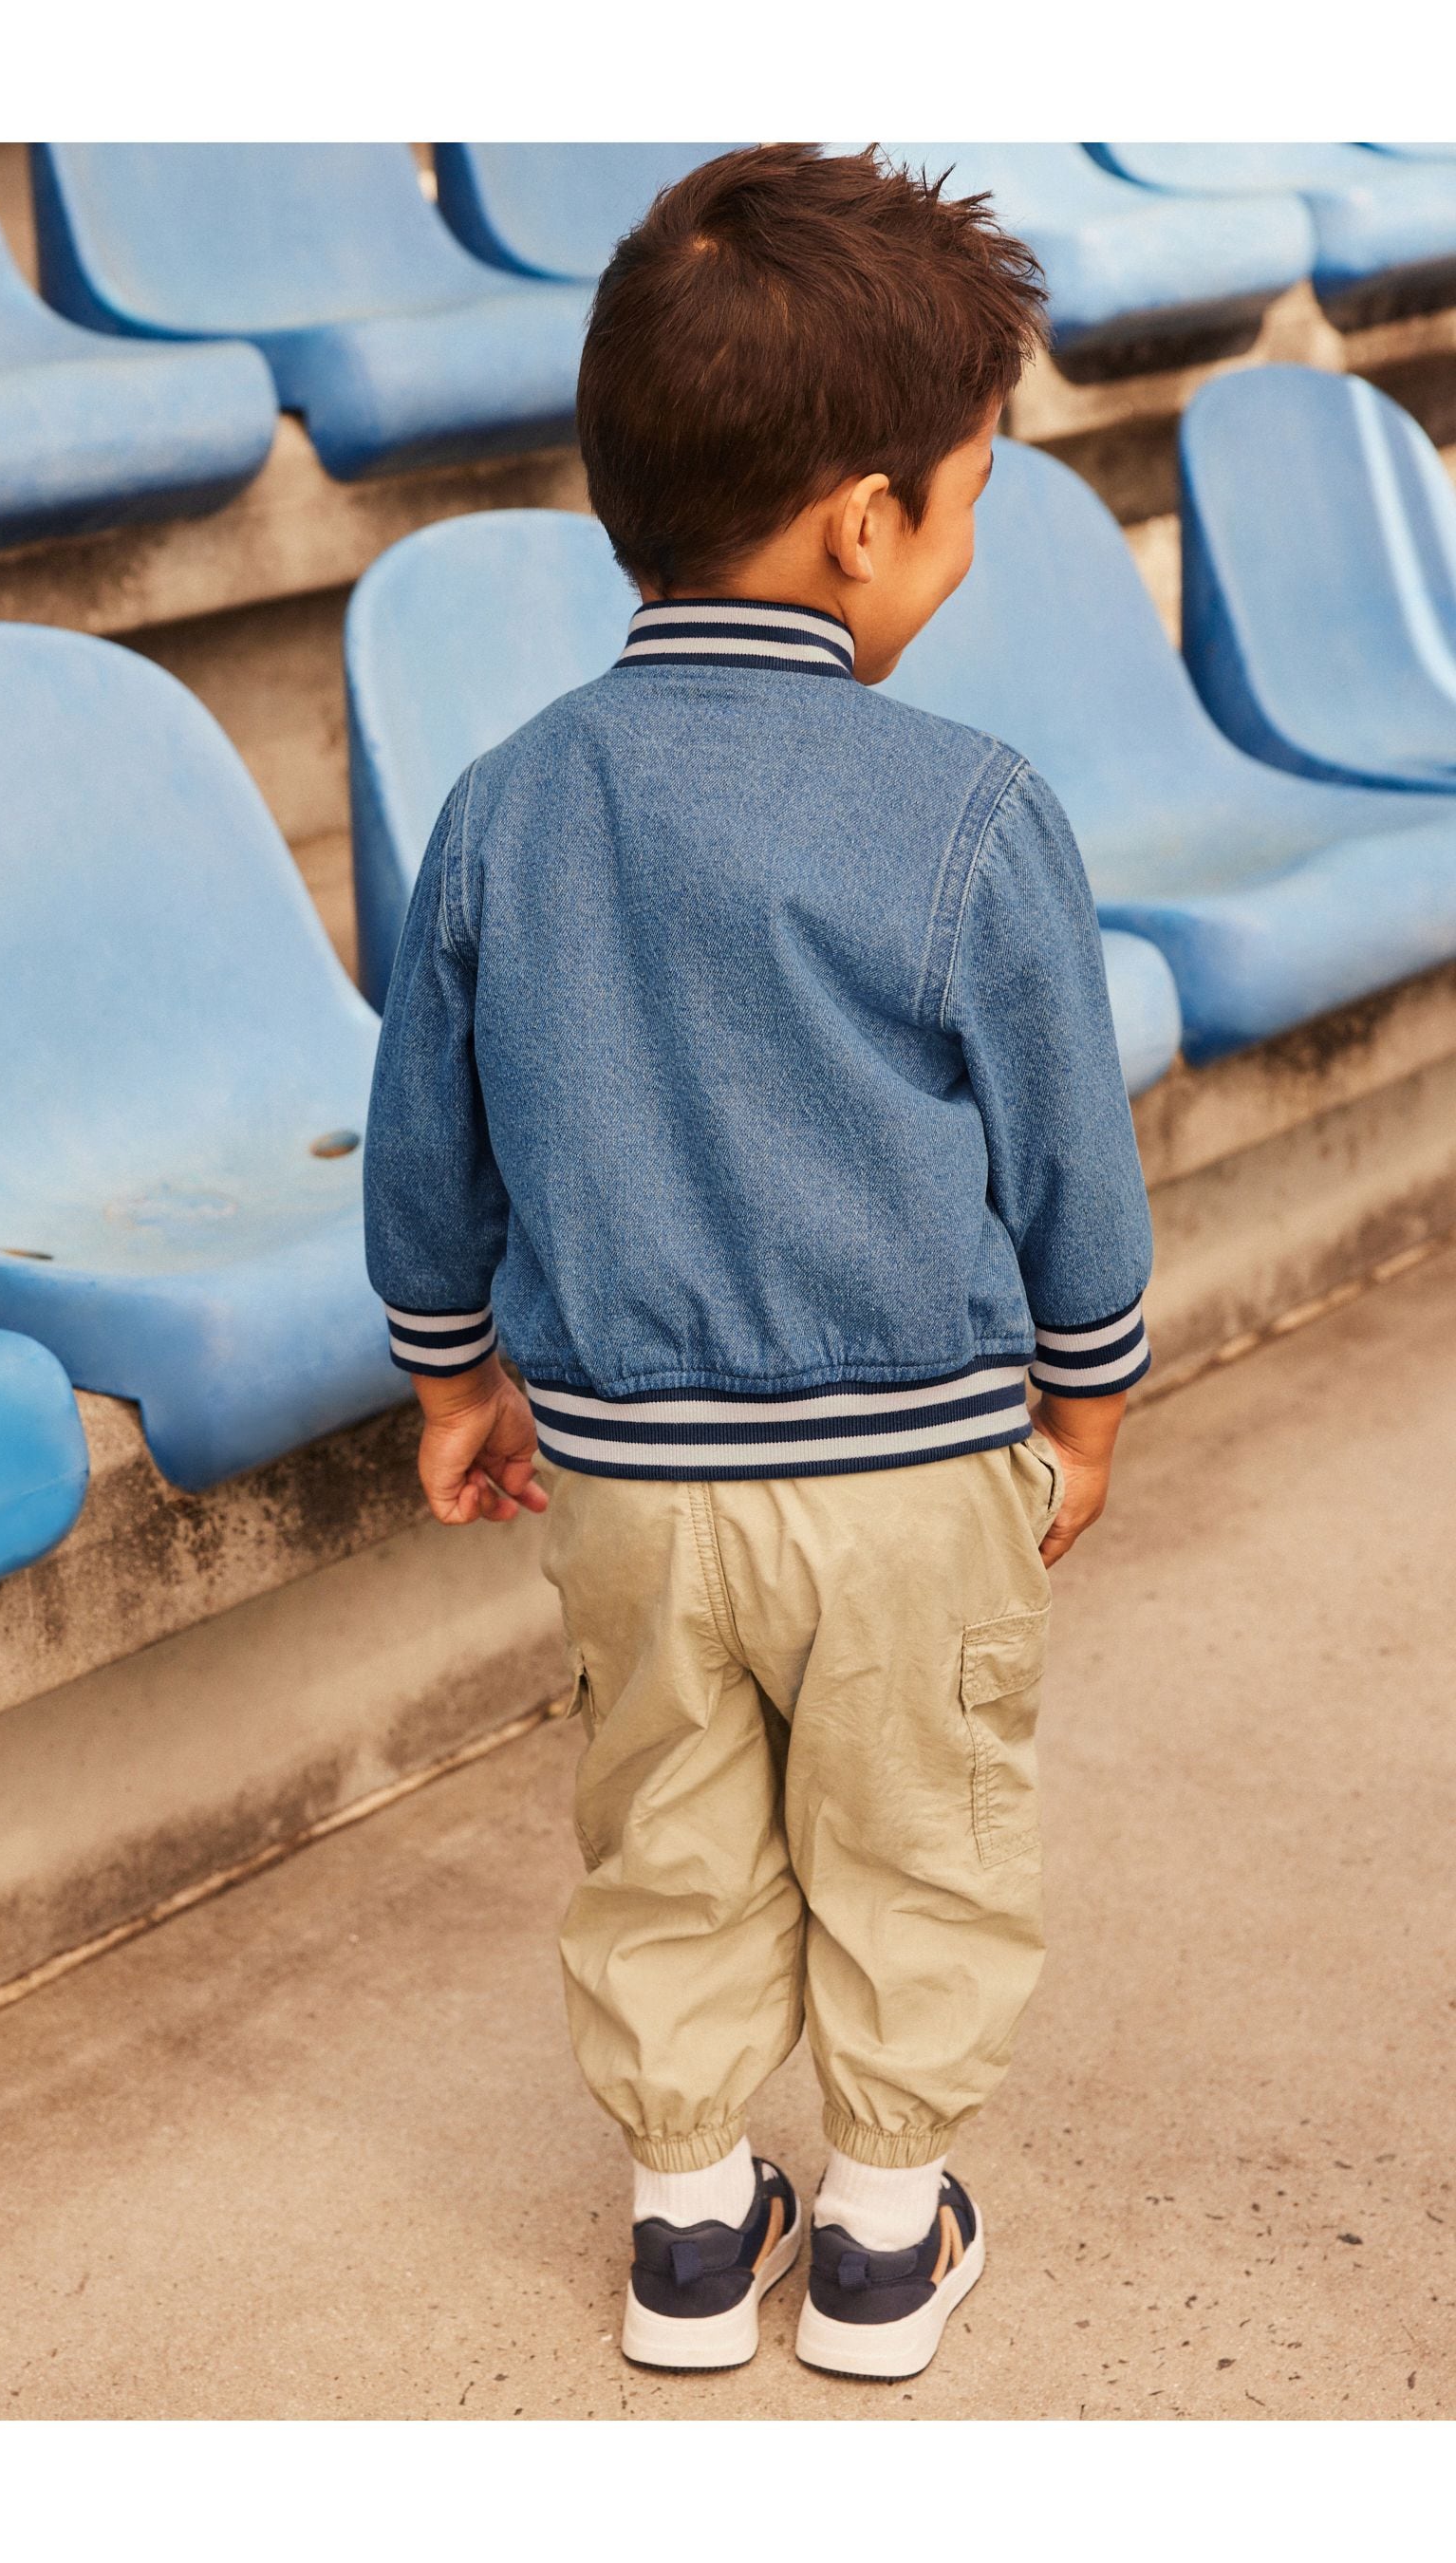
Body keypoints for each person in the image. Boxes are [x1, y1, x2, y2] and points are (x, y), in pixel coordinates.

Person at [364, 144, 1152, 2383]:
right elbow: (1066, 1162)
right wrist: (1083, 1403)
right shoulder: (975, 809)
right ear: (865, 522)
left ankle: (693, 2234)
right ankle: (888, 2244)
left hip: (632, 1482)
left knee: (674, 1832)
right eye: (976, 495)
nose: (968, 545)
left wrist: (450, 1381)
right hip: (916, 1477)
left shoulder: (503, 802)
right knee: (919, 1835)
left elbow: (435, 1146)